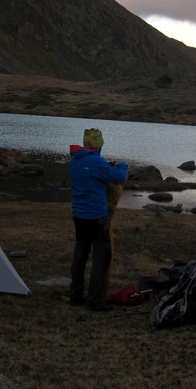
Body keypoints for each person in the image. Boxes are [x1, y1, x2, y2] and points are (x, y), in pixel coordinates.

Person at [68, 128, 128, 311]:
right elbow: (118, 177)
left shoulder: (73, 161)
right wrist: (123, 166)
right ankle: (95, 300)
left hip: (78, 216)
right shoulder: (97, 162)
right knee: (102, 257)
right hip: (97, 218)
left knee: (80, 255)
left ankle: (75, 295)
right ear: (98, 145)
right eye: (101, 144)